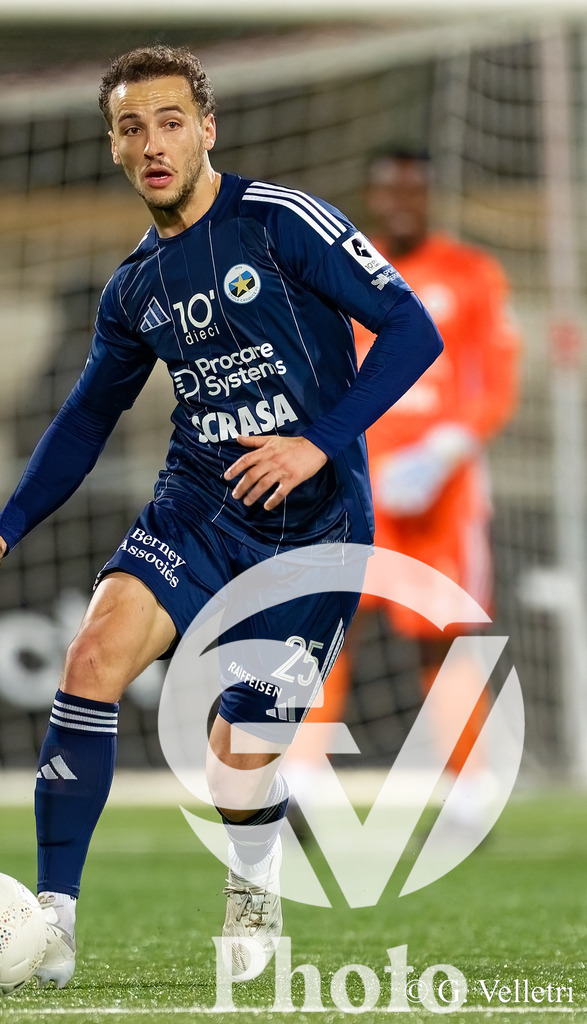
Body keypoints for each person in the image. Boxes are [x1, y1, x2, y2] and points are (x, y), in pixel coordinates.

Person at [0, 49, 443, 986]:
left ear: (207, 129)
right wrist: (4, 527)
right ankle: (52, 922)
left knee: (232, 756)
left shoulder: (281, 223)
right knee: (91, 660)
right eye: (132, 127)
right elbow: (86, 417)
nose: (153, 142)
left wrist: (315, 443)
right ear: (114, 149)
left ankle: (252, 883)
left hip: (315, 529)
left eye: (171, 120)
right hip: (199, 506)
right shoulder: (134, 287)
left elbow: (413, 330)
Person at [285, 149, 521, 828]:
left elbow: (495, 380)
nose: (399, 202)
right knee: (330, 623)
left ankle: (470, 785)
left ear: (428, 196)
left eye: (411, 190)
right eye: (387, 190)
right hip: (358, 481)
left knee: (440, 636)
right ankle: (301, 775)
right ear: (372, 195)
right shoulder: (349, 274)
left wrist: (445, 449)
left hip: (439, 494)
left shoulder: (471, 276)